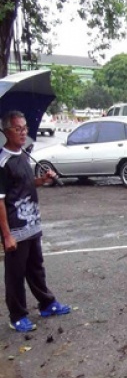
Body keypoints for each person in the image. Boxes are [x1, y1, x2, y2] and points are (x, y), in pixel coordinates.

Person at [0, 110, 70, 332]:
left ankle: (47, 304)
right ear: (6, 132)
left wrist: (43, 180)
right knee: (15, 274)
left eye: (25, 128)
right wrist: (7, 235)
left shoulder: (23, 154)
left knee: (36, 268)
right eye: (18, 129)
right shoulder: (2, 163)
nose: (23, 132)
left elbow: (25, 186)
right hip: (16, 228)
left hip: (32, 224)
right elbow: (0, 201)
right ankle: (17, 315)